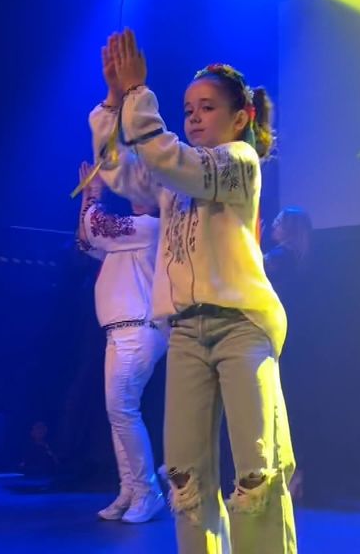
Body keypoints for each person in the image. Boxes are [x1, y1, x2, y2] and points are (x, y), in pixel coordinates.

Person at [89, 30, 296, 552]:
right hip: (183, 332)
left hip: (239, 328)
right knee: (184, 476)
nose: (195, 117)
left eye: (207, 107)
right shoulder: (171, 177)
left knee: (255, 473)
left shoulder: (237, 163)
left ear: (241, 117)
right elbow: (120, 171)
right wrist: (114, 103)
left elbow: (173, 160)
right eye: (187, 110)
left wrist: (138, 96)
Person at [76, 163, 168, 523]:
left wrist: (95, 196)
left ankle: (147, 491)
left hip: (139, 328)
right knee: (120, 414)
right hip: (121, 330)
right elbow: (86, 241)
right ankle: (129, 489)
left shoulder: (149, 226)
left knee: (123, 410)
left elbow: (96, 229)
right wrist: (87, 196)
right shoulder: (128, 234)